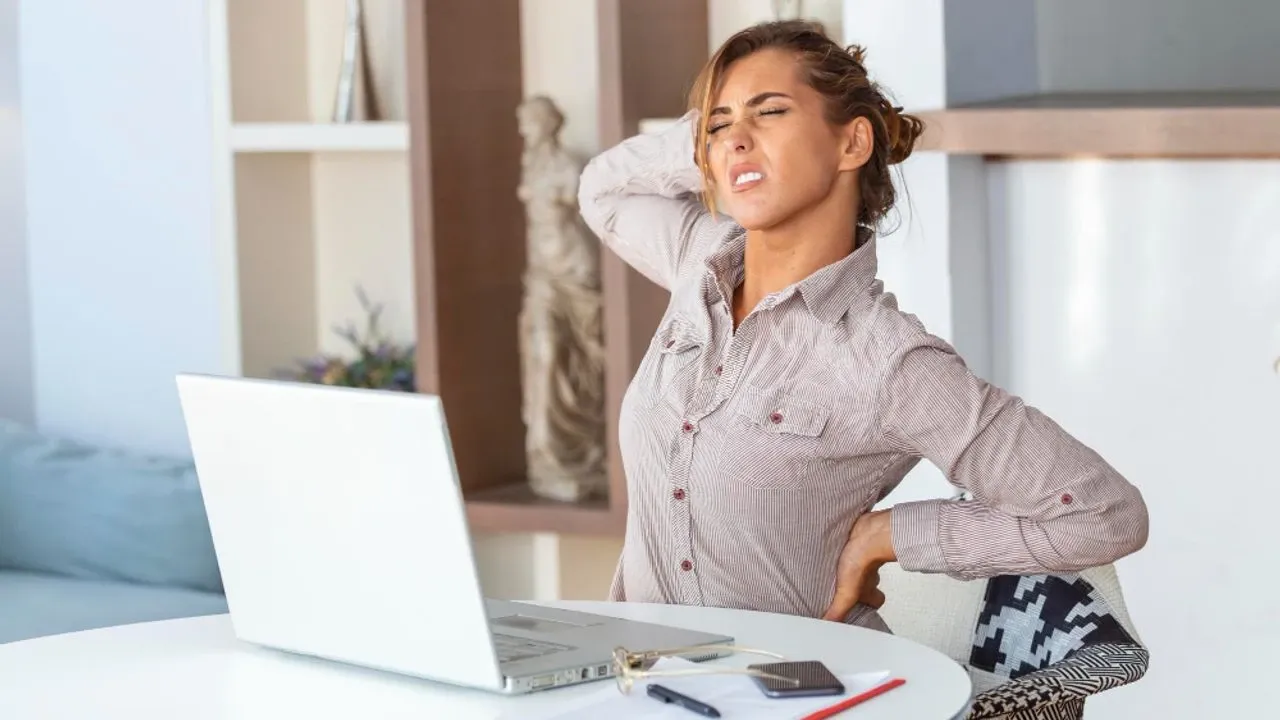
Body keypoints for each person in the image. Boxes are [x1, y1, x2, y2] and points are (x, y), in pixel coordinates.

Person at [577, 20, 1149, 632]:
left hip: (798, 681)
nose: (736, 139)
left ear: (852, 143)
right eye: (719, 125)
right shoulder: (699, 260)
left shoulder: (889, 362)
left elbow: (1105, 514)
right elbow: (602, 189)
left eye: (770, 112)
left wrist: (890, 534)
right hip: (638, 673)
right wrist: (709, 144)